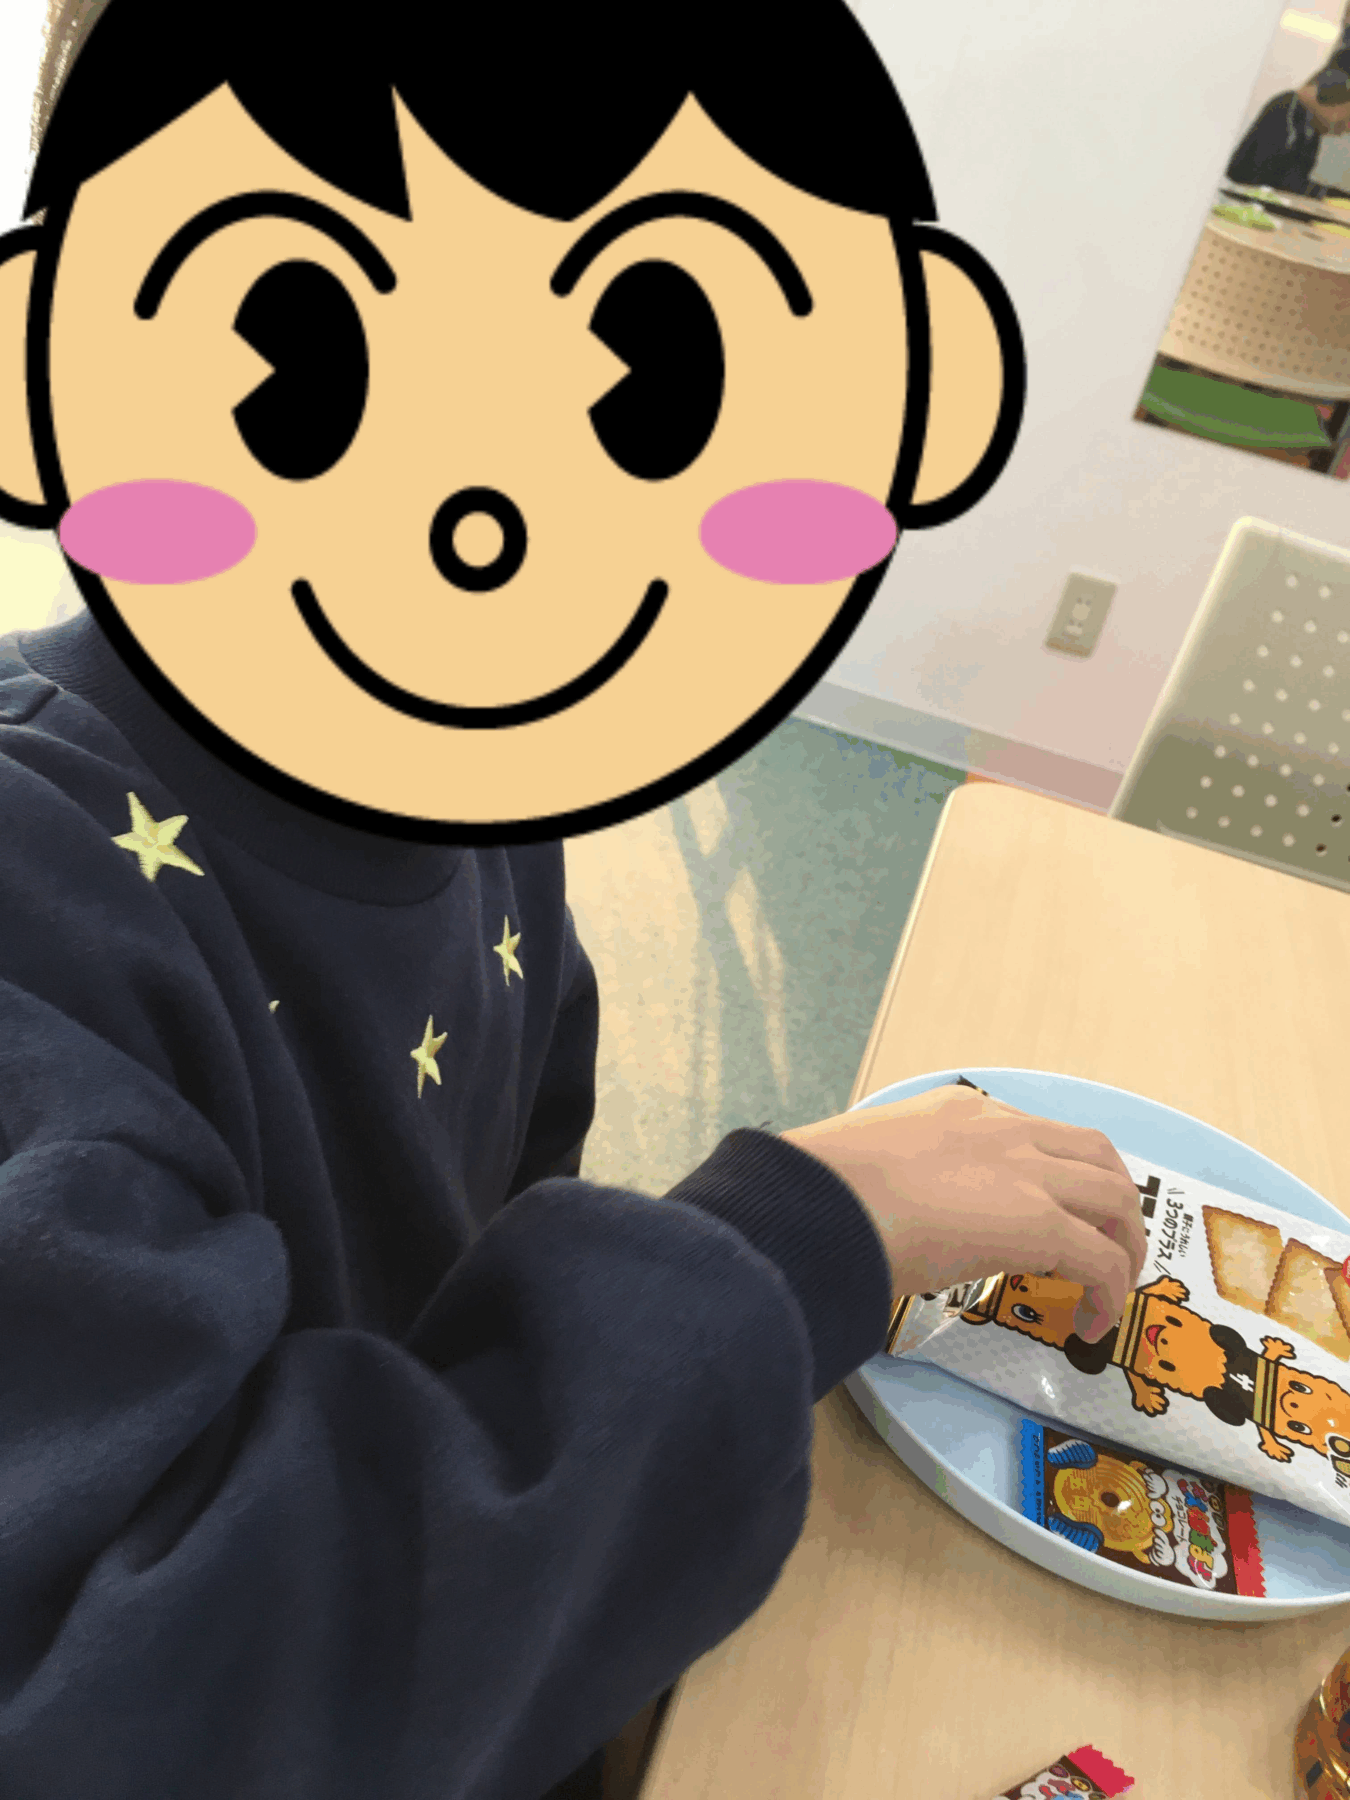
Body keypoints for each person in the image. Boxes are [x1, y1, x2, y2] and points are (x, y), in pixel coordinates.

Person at [0, 1, 1141, 1796]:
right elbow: (134, 1699)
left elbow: (513, 1193)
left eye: (646, 373)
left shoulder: (472, 766)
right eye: (308, 357)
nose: (483, 514)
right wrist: (794, 1240)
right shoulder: (36, 902)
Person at [1226, 59, 1350, 197]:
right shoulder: (1287, 109)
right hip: (1243, 197)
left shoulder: (1311, 127)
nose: (1346, 128)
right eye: (1346, 117)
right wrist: (1327, 194)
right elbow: (1274, 179)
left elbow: (1295, 181)